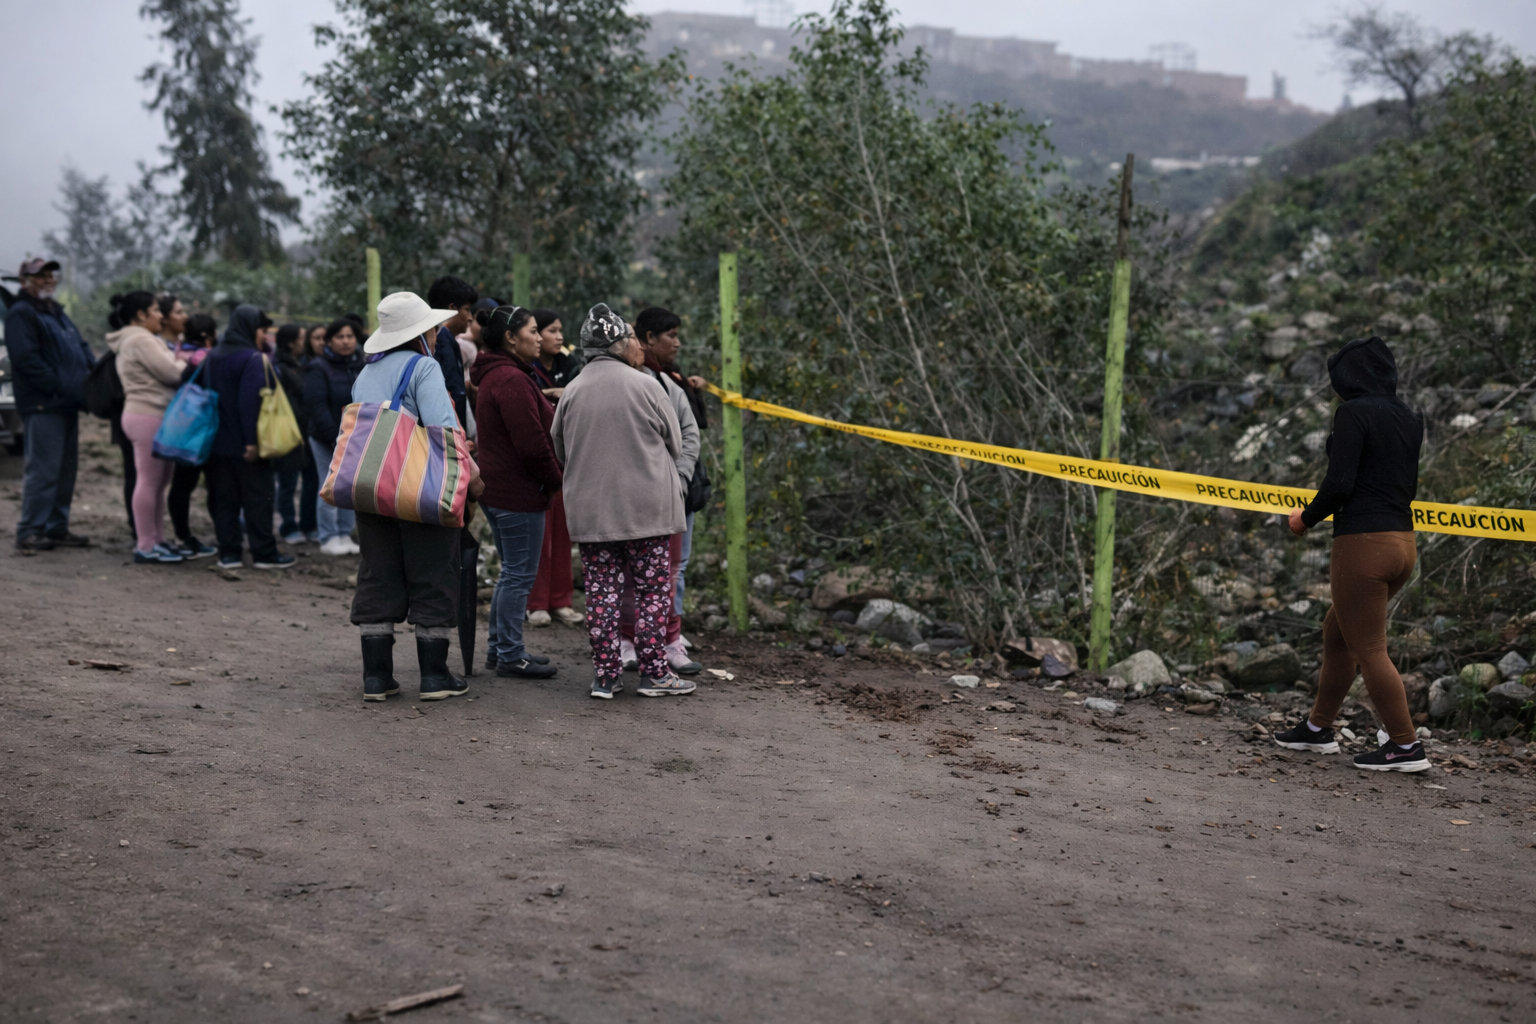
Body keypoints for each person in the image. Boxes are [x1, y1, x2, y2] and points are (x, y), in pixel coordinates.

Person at [1279, 336, 1428, 772]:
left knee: (1369, 648)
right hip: (1402, 544)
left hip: (1362, 546)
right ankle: (1316, 728)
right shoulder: (1409, 418)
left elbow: (1340, 483)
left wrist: (1304, 519)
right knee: (1337, 634)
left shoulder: (1352, 414)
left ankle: (1404, 746)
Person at [550, 304, 695, 700]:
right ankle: (653, 674)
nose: (637, 344)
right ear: (616, 344)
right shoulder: (647, 386)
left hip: (592, 511)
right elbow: (675, 443)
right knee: (652, 591)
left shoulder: (573, 391)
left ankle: (606, 676)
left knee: (601, 592)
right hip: (646, 510)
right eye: (631, 338)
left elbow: (560, 448)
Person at [351, 290, 484, 702]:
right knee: (432, 572)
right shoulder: (423, 367)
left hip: (370, 488)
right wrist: (471, 478)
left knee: (379, 573)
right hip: (417, 490)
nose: (435, 331)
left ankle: (376, 678)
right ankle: (434, 676)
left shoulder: (365, 373)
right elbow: (443, 431)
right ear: (419, 332)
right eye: (431, 326)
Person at [471, 305, 563, 679]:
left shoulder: (500, 374)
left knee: (513, 573)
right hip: (517, 492)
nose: (540, 337)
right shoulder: (511, 379)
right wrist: (555, 479)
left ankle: (501, 648)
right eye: (533, 330)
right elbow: (531, 443)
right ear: (511, 338)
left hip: (502, 490)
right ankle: (509, 654)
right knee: (519, 576)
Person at [629, 306, 703, 676]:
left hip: (670, 494)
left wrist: (678, 479)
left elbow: (689, 433)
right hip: (630, 499)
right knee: (628, 572)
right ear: (646, 341)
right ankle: (630, 641)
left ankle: (668, 641)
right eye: (670, 335)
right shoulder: (621, 382)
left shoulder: (668, 384)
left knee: (670, 569)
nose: (677, 342)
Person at [6, 258, 95, 551]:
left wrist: (91, 375)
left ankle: (57, 527)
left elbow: (80, 347)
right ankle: (30, 530)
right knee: (43, 470)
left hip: (68, 403)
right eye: (39, 276)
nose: (48, 280)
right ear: (24, 282)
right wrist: (59, 387)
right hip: (45, 404)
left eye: (50, 275)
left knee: (66, 470)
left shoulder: (56, 313)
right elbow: (26, 360)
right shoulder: (21, 313)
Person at [203, 305, 294, 570]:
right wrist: (252, 442)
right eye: (262, 330)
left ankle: (229, 553)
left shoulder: (213, 356)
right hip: (245, 444)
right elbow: (249, 403)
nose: (265, 337)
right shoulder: (252, 359)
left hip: (216, 444)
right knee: (259, 498)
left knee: (223, 500)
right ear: (249, 328)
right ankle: (264, 553)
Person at [106, 291, 188, 564]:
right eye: (155, 310)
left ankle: (157, 540)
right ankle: (145, 545)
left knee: (158, 482)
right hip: (146, 415)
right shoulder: (140, 339)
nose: (160, 315)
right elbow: (172, 373)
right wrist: (185, 360)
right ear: (140, 315)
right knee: (150, 481)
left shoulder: (138, 339)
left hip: (151, 415)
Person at [525, 308, 584, 627]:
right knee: (540, 533)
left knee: (563, 530)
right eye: (550, 331)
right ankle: (536, 603)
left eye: (561, 330)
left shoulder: (571, 366)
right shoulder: (527, 368)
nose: (558, 337)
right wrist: (547, 395)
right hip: (537, 459)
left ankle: (561, 601)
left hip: (567, 457)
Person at [304, 318, 364, 555]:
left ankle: (344, 534)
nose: (346, 341)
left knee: (349, 486)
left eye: (350, 336)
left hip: (353, 438)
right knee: (328, 484)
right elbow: (315, 405)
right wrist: (333, 436)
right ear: (329, 340)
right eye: (340, 337)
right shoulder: (318, 367)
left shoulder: (361, 365)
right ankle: (328, 536)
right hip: (325, 437)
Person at [166, 314, 219, 557]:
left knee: (181, 485)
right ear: (208, 337)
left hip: (185, 430)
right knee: (216, 486)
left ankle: (181, 534)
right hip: (208, 431)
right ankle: (223, 536)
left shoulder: (177, 355)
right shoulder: (211, 360)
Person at [272, 324, 318, 545]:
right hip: (289, 430)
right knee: (288, 481)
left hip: (306, 429)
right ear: (290, 342)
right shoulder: (280, 368)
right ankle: (288, 526)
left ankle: (308, 524)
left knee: (311, 480)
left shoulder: (305, 364)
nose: (305, 341)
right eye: (302, 337)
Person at [425, 276, 477, 428]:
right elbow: (452, 392)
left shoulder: (446, 339)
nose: (470, 317)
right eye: (467, 310)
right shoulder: (440, 342)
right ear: (452, 309)